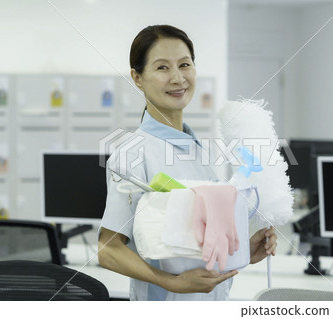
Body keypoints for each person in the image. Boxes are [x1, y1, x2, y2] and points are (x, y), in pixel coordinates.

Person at [98, 25, 277, 301]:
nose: (178, 78)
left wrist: (241, 253)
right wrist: (170, 282)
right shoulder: (133, 153)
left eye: (184, 65)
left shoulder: (199, 150)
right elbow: (108, 250)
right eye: (162, 68)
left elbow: (193, 243)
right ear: (137, 77)